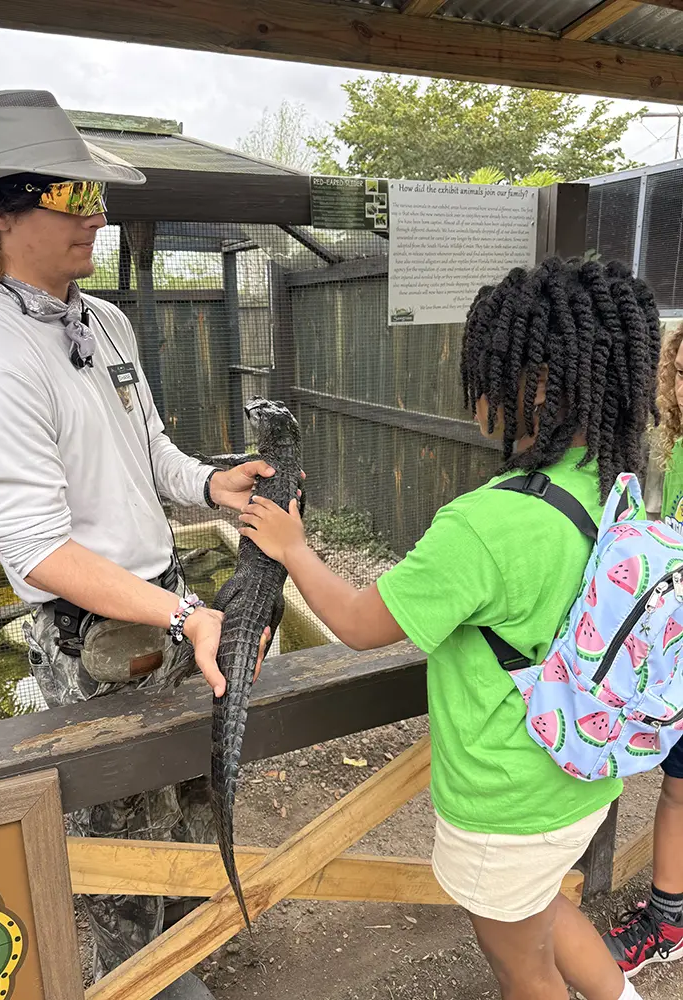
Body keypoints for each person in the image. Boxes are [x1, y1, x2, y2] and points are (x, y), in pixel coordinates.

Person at [232, 257, 661, 1000]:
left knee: (519, 964)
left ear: (527, 383)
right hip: (583, 772)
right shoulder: (613, 485)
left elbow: (364, 624)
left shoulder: (489, 522)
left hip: (505, 794)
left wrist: (295, 548)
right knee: (545, 909)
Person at [0, 90, 272, 998]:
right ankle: (140, 980)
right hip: (93, 632)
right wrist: (188, 611)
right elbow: (41, 555)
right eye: (72, 196)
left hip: (163, 598)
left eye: (98, 195)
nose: (98, 214)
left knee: (197, 794)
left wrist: (210, 484)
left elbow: (148, 448)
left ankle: (188, 957)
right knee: (124, 833)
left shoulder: (104, 321)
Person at [601, 322, 683, 978]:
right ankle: (669, 917)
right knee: (678, 790)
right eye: (681, 372)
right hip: (675, 656)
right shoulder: (670, 449)